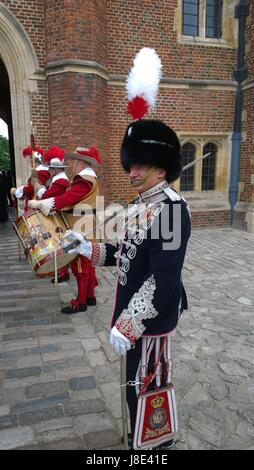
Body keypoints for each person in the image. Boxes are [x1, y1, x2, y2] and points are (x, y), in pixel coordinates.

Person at [64, 119, 191, 448]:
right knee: (133, 384)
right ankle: (139, 436)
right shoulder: (140, 205)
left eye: (141, 165)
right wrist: (86, 247)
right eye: (131, 165)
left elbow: (163, 278)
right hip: (130, 312)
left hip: (151, 317)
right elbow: (125, 255)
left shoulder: (173, 210)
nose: (132, 172)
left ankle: (155, 446)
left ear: (161, 170)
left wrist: (130, 323)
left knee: (148, 384)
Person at [29, 146, 102, 313]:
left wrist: (42, 203)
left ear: (83, 163)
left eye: (75, 161)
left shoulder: (84, 179)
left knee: (80, 262)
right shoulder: (87, 178)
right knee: (87, 260)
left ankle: (81, 301)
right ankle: (89, 296)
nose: (72, 164)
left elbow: (66, 199)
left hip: (80, 224)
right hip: (84, 223)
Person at [31, 145, 70, 284]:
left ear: (56, 169)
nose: (49, 171)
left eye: (51, 168)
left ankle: (63, 271)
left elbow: (47, 197)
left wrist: (36, 183)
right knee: (61, 244)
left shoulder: (61, 180)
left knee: (61, 244)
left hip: (61, 215)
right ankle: (62, 272)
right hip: (56, 213)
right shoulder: (57, 179)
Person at [11, 146, 50, 212]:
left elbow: (31, 188)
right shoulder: (38, 171)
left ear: (34, 159)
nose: (29, 161)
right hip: (32, 202)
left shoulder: (42, 171)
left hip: (38, 204)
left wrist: (17, 191)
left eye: (30, 158)